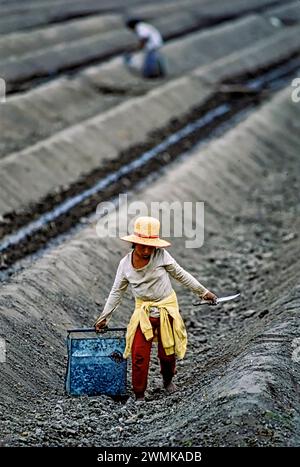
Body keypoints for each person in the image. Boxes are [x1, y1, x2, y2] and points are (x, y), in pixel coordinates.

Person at [94, 216, 217, 401]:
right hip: (143, 312)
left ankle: (167, 381)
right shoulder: (125, 265)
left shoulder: (161, 256)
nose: (146, 251)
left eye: (150, 246)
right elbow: (116, 292)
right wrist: (104, 317)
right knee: (138, 355)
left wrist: (203, 292)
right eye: (142, 246)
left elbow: (181, 274)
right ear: (134, 243)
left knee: (167, 352)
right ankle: (139, 394)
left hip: (166, 307)